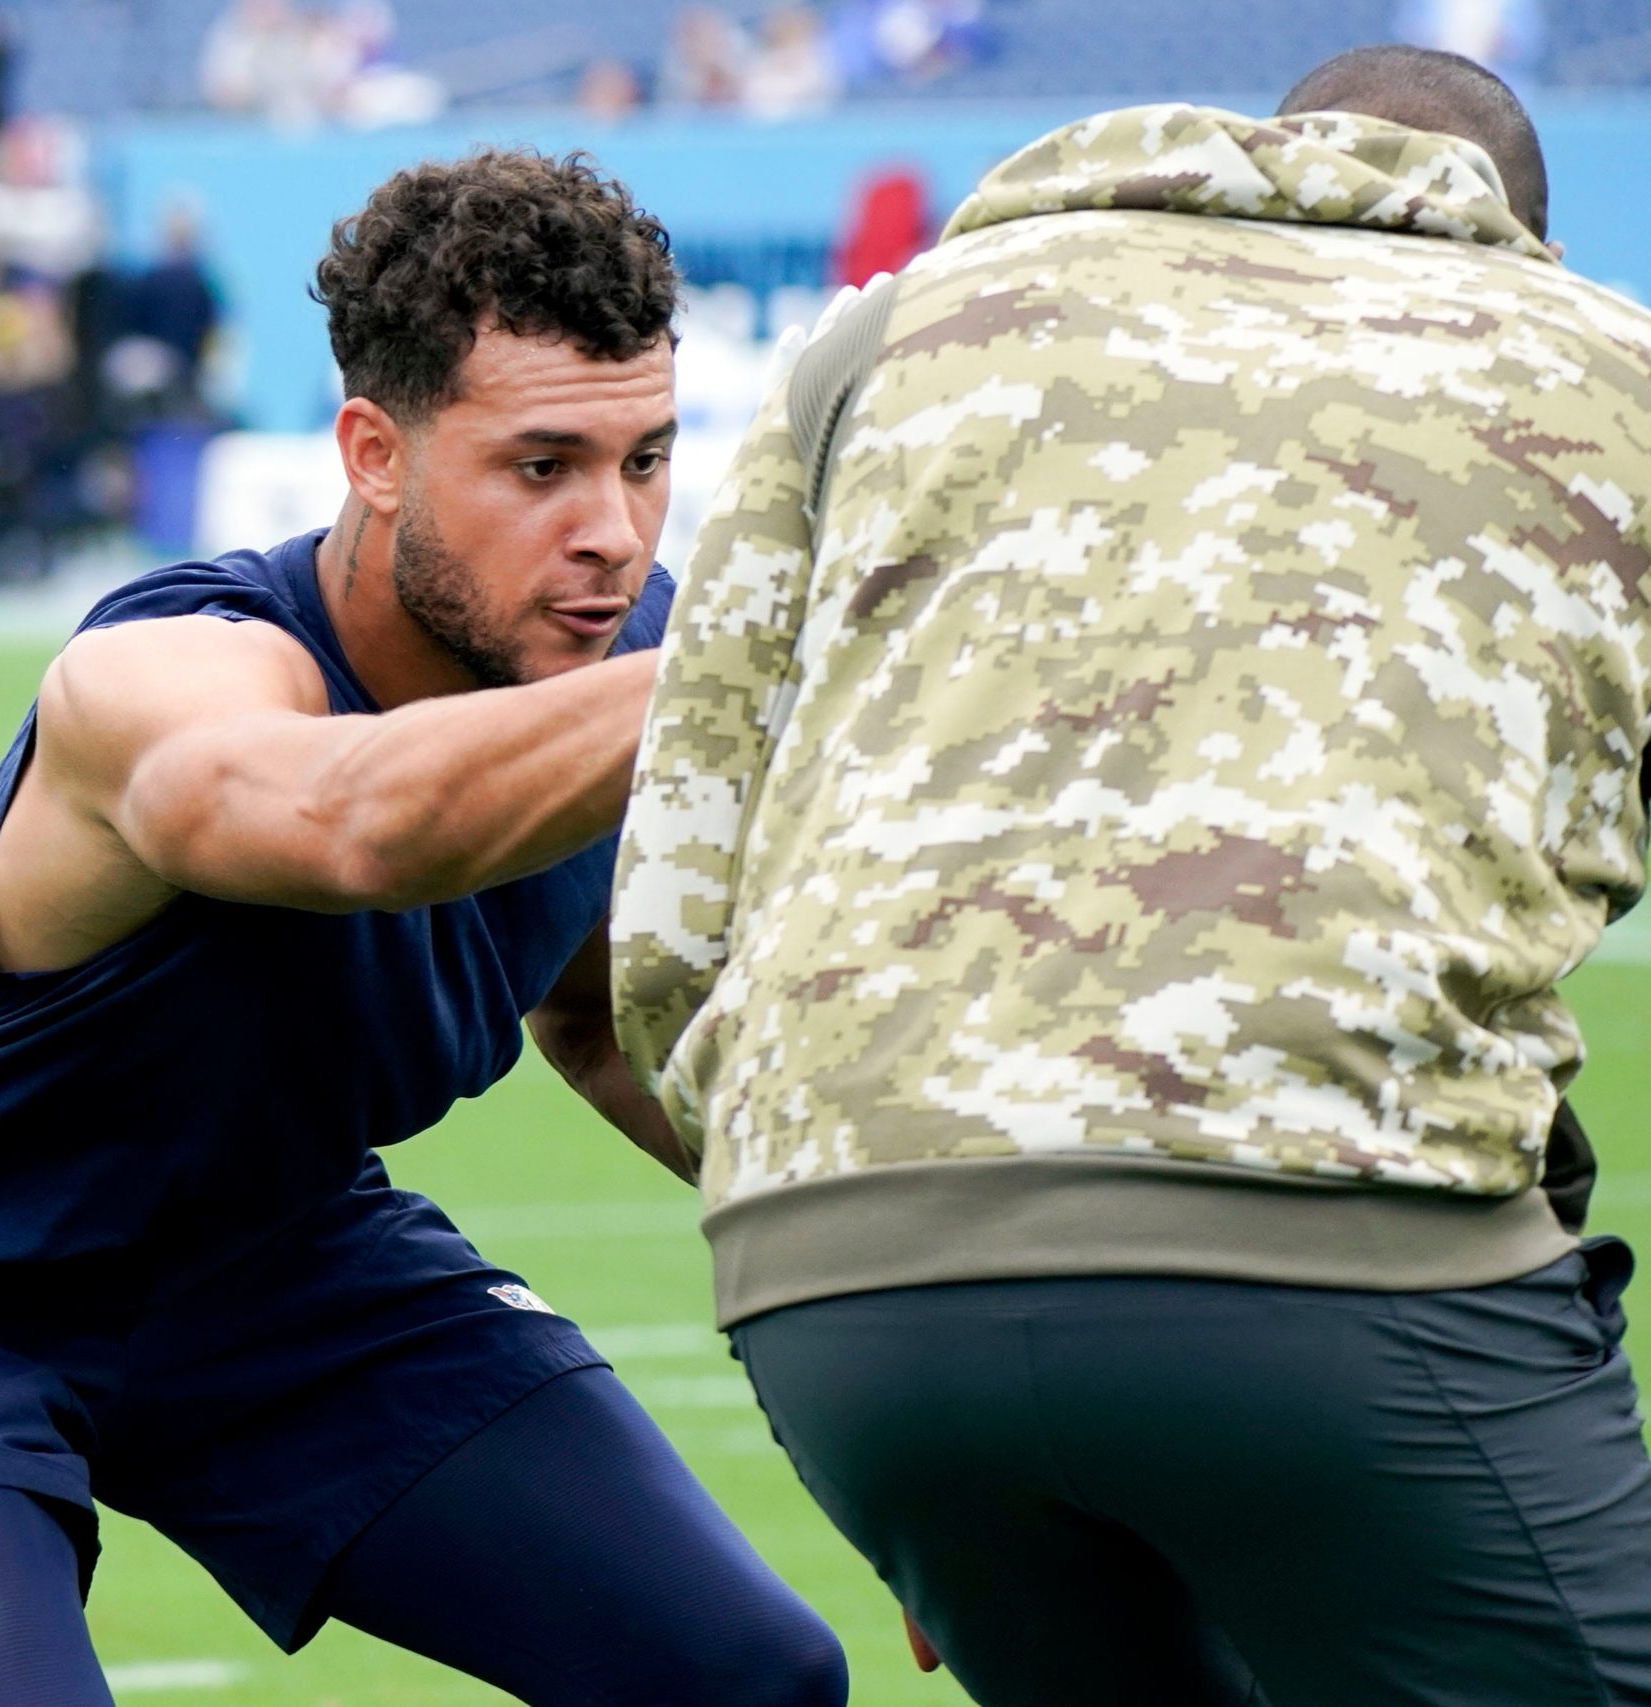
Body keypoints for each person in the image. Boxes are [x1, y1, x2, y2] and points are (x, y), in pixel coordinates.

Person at [0, 148, 847, 1707]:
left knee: (743, 1675)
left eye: (647, 459)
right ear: (374, 453)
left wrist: (931, 1429)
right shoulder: (164, 673)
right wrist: (768, 653)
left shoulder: (641, 657)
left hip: (267, 1252)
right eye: (542, 466)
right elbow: (352, 821)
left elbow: (612, 1013)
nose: (612, 532)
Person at [611, 44, 1651, 1707]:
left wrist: (911, 1274)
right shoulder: (1607, 365)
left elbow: (671, 914)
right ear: (1517, 233)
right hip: (1340, 1253)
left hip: (841, 1281)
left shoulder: (888, 335)